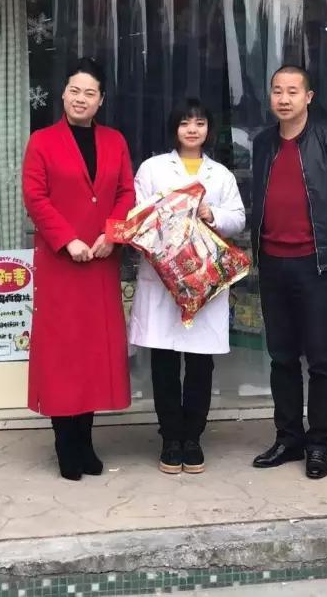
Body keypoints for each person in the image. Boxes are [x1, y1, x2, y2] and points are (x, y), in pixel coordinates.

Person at [22, 57, 135, 481]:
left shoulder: (114, 141)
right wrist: (67, 239)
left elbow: (126, 192)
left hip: (100, 261)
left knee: (92, 354)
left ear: (100, 100)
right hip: (61, 263)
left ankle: (86, 442)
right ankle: (64, 444)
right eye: (74, 91)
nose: (80, 99)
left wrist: (112, 233)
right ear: (63, 94)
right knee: (62, 354)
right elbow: (35, 196)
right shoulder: (42, 141)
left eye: (90, 93)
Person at [250, 65, 327, 479]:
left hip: (315, 264)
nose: (284, 99)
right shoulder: (264, 143)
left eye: (292, 91)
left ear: (308, 97)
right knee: (281, 357)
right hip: (272, 262)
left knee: (320, 358)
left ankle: (318, 443)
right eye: (277, 90)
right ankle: (288, 438)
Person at [129, 99, 246, 474]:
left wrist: (213, 213)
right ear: (174, 128)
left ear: (209, 129)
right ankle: (170, 437)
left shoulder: (221, 175)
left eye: (199, 122)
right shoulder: (152, 169)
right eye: (184, 123)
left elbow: (239, 218)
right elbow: (136, 214)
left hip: (202, 279)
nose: (192, 129)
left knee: (200, 364)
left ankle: (192, 438)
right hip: (163, 277)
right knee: (164, 362)